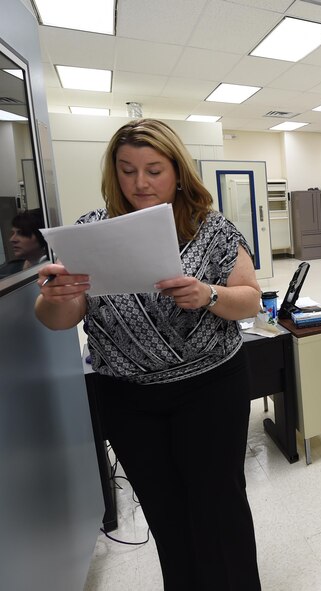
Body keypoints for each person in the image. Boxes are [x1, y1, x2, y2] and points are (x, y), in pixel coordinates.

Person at [34, 119, 262, 590]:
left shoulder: (213, 229)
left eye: (154, 169)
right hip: (129, 400)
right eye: (128, 170)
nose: (140, 182)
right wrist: (56, 296)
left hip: (210, 391)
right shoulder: (90, 233)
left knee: (218, 511)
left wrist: (208, 295)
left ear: (177, 171)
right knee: (165, 514)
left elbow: (251, 299)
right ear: (113, 174)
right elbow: (58, 318)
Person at [0, 210, 48, 277]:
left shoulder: (57, 270)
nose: (12, 239)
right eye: (13, 233)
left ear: (41, 236)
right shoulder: (7, 272)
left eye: (22, 234)